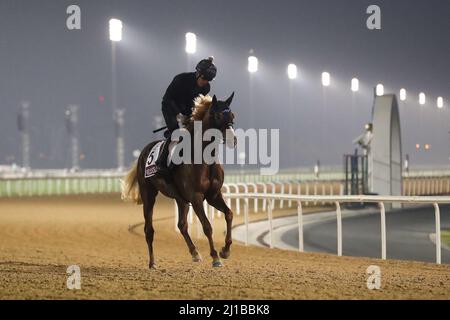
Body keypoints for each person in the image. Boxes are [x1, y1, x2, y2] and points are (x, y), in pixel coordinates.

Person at [155, 56, 217, 175]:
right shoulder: (181, 79)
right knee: (176, 133)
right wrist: (178, 114)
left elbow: (196, 105)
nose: (205, 83)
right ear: (198, 73)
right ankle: (161, 163)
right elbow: (168, 99)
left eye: (208, 81)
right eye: (204, 79)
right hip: (170, 107)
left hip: (187, 112)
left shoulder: (206, 87)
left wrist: (193, 116)